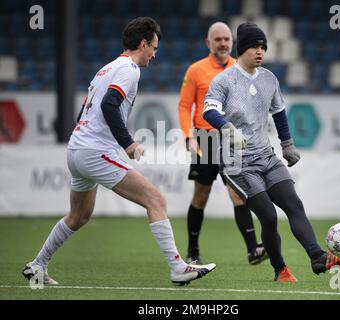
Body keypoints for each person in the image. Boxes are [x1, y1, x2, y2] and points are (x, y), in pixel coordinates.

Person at [22, 17, 216, 287]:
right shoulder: (129, 69)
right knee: (156, 200)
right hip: (95, 150)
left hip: (77, 148)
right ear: (143, 43)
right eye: (154, 47)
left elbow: (87, 109)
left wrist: (87, 139)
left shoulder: (107, 68)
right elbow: (109, 105)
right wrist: (128, 143)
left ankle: (38, 265)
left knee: (79, 216)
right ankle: (177, 268)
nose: (155, 54)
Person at [202, 22, 340, 282]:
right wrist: (227, 128)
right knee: (269, 217)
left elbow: (279, 112)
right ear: (242, 49)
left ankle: (317, 258)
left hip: (267, 156)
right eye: (254, 46)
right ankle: (280, 269)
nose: (260, 51)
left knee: (294, 204)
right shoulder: (223, 80)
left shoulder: (269, 79)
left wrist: (287, 144)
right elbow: (209, 111)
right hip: (238, 164)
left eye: (263, 46)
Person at [178, 22, 267, 265]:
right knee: (201, 196)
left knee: (238, 194)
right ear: (209, 43)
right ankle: (193, 252)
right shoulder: (196, 70)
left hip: (232, 140)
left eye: (227, 39)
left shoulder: (242, 69)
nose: (224, 43)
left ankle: (253, 250)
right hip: (205, 138)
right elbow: (185, 106)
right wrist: (188, 136)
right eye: (218, 39)